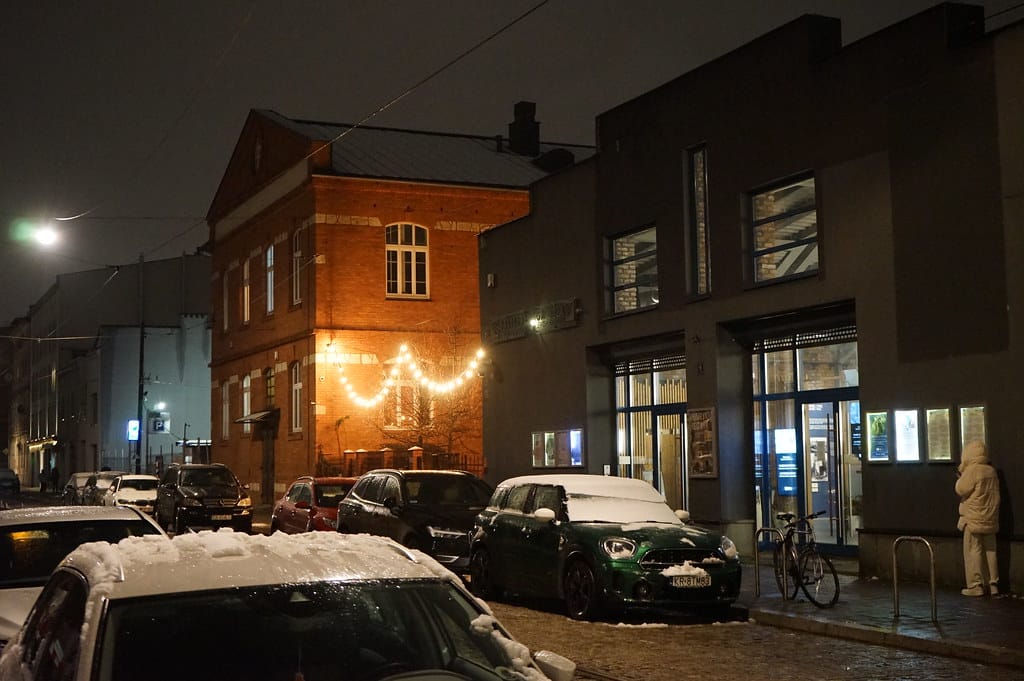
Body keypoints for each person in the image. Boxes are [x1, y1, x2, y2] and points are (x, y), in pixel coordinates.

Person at [955, 440, 1000, 596]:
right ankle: (993, 584)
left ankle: (976, 586)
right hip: (990, 518)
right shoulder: (991, 471)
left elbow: (961, 489)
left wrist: (961, 475)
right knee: (991, 550)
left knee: (973, 550)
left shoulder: (972, 471)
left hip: (973, 519)